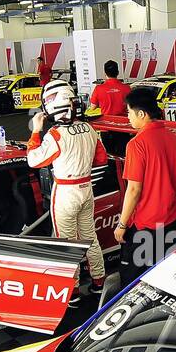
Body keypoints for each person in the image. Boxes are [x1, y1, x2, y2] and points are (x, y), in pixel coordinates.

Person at [28, 80, 108, 299]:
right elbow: (101, 159)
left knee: (67, 244)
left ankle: (72, 292)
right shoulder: (90, 128)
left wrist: (36, 130)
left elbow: (33, 161)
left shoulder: (54, 135)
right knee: (90, 237)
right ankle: (99, 282)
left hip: (65, 192)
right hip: (86, 188)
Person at [114, 88, 176, 276]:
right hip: (172, 219)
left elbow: (134, 190)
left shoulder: (136, 144)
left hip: (146, 225)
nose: (128, 117)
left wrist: (122, 225)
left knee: (132, 280)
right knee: (166, 275)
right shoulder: (172, 138)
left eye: (129, 112)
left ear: (141, 114)